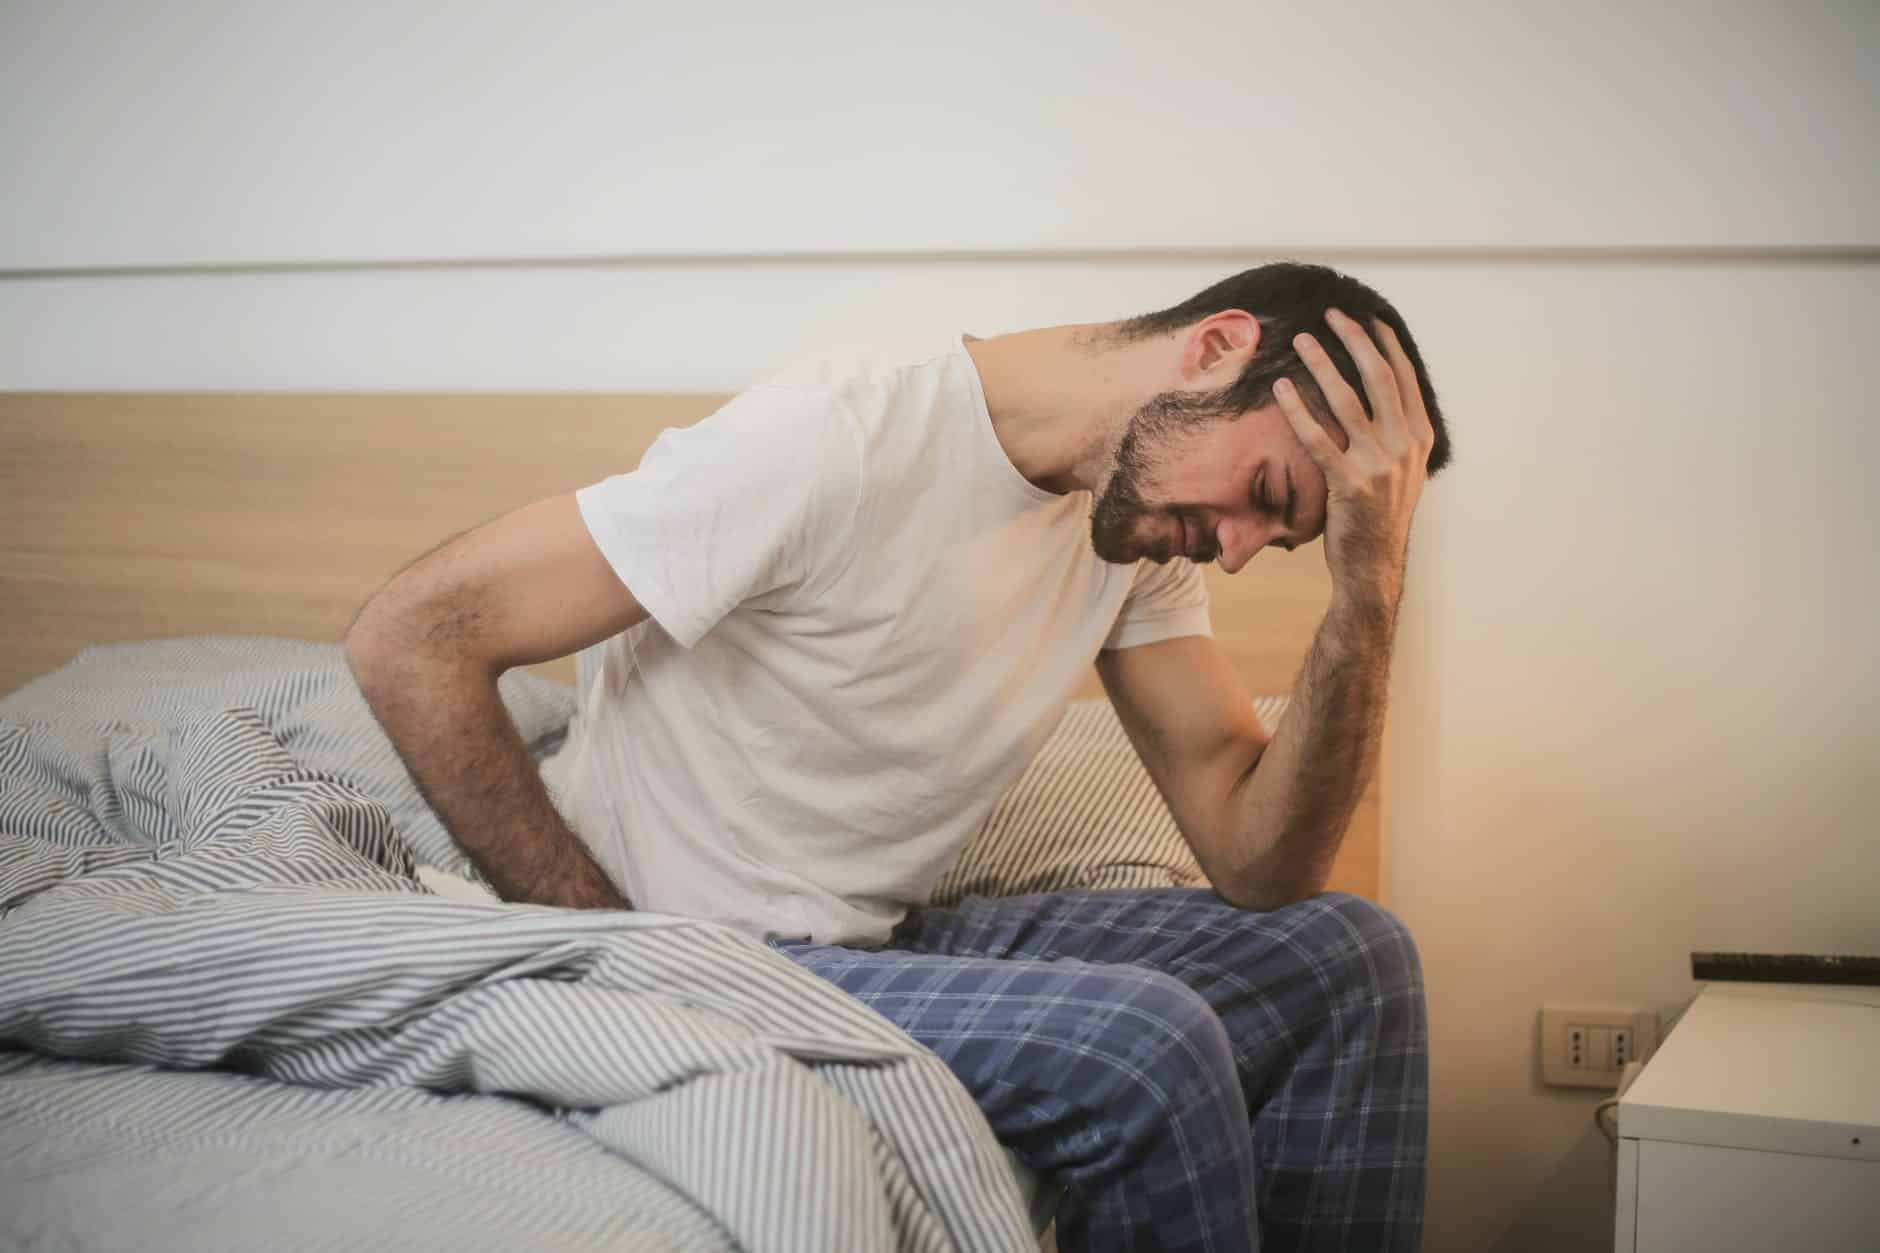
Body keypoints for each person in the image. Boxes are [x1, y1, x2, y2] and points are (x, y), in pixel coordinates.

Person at [346, 260, 1450, 1253]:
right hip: (697, 945)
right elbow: (413, 634)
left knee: (1344, 957)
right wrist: (613, 951)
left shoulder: (1133, 528)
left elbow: (1259, 863)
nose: (1243, 549)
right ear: (1214, 348)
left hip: (865, 938)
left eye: (1286, 538)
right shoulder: (835, 438)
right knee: (1142, 1049)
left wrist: (1368, 581)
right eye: (1264, 497)